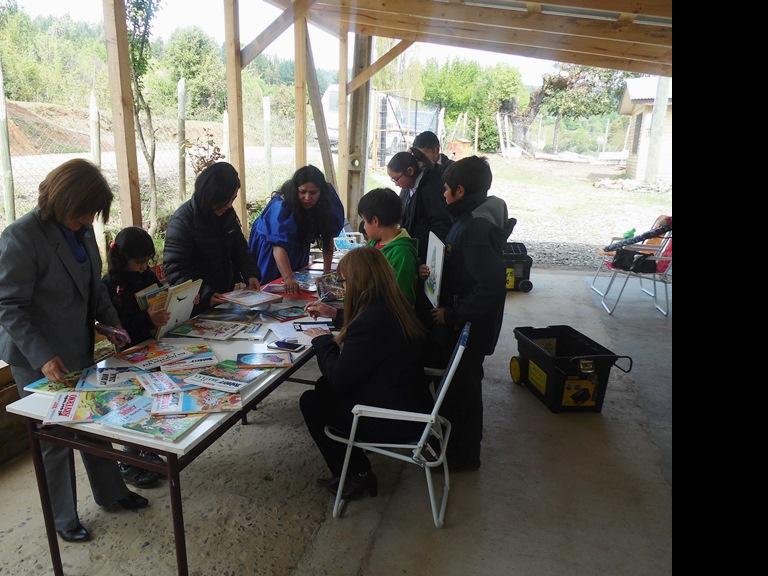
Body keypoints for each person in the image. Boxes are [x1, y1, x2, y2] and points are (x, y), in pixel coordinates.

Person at [0, 159, 150, 543]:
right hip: (38, 357)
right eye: (83, 212)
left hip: (78, 345)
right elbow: (8, 306)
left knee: (95, 422)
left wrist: (111, 324)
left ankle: (113, 493)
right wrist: (42, 355)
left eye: (92, 215)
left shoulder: (81, 232)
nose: (87, 221)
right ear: (63, 200)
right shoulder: (21, 236)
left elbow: (94, 287)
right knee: (53, 440)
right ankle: (62, 519)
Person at [301, 247, 430, 499]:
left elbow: (339, 378)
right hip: (411, 401)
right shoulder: (394, 304)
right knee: (321, 387)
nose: (344, 288)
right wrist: (335, 314)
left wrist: (323, 341)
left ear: (360, 282)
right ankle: (354, 464)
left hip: (392, 420)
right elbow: (370, 334)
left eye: (346, 282)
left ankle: (357, 474)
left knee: (311, 401)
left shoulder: (370, 322)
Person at [421, 156, 515, 471]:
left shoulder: (474, 228)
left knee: (464, 390)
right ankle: (457, 447)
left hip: (467, 327)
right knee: (462, 386)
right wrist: (434, 270)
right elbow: (467, 270)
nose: (443, 196)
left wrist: (452, 313)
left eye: (446, 190)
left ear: (459, 191)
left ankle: (462, 457)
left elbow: (489, 286)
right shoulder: (476, 216)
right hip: (468, 320)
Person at [102, 226, 169, 489]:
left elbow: (159, 294)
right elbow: (117, 328)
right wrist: (146, 318)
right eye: (139, 262)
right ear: (122, 258)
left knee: (155, 401)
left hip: (154, 347)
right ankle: (129, 460)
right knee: (134, 406)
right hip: (129, 355)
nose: (144, 267)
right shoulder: (110, 285)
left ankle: (146, 450)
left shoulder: (147, 275)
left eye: (147, 261)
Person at [163, 161, 260, 314]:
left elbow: (239, 248)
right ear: (211, 196)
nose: (229, 204)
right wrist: (204, 294)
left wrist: (251, 274)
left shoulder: (227, 214)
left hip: (226, 296)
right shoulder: (182, 221)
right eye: (225, 200)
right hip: (198, 304)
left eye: (232, 199)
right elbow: (175, 270)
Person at [248, 165, 344, 293]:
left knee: (297, 282)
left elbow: (327, 237)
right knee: (272, 286)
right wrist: (288, 278)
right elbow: (279, 247)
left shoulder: (327, 202)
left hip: (298, 243)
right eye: (303, 192)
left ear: (321, 191)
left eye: (313, 192)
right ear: (296, 190)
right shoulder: (282, 206)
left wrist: (326, 274)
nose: (307, 198)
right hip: (271, 246)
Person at [386, 150, 451, 264]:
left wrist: (419, 251)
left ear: (410, 171)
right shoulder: (408, 187)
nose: (395, 183)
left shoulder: (431, 187)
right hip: (411, 248)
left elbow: (440, 224)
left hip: (426, 254)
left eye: (396, 179)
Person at [357, 187, 418, 304]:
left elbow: (401, 298)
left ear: (375, 221)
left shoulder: (402, 253)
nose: (364, 226)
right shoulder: (374, 242)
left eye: (364, 221)